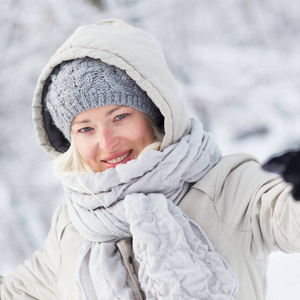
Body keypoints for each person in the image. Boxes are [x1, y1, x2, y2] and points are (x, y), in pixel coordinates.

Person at [0, 19, 299, 300]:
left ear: (155, 113)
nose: (106, 142)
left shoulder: (229, 186)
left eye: (120, 117)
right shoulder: (73, 223)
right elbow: (18, 291)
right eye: (86, 129)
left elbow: (289, 218)